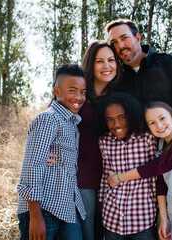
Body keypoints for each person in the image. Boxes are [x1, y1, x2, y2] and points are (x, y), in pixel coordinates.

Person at [105, 19, 172, 187]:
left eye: (124, 38)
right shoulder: (118, 81)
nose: (120, 45)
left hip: (170, 153)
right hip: (135, 165)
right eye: (114, 42)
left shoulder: (168, 64)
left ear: (137, 37)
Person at [47, 40, 122, 240]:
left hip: (113, 176)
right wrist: (46, 150)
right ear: (91, 63)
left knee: (106, 231)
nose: (107, 66)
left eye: (111, 60)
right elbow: (52, 117)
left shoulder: (118, 95)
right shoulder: (78, 91)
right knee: (88, 234)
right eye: (100, 61)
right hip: (83, 177)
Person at [108, 101, 172, 240]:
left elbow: (155, 168)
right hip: (168, 206)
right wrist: (164, 218)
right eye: (152, 123)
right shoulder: (160, 143)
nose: (159, 125)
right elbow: (161, 181)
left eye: (162, 118)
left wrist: (119, 178)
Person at [17, 64, 87, 240]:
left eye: (83, 92)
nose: (79, 97)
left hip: (66, 207)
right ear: (57, 91)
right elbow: (32, 167)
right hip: (43, 208)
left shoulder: (71, 122)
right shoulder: (48, 119)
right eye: (72, 91)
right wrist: (35, 216)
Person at [95, 92, 158, 240]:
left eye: (122, 117)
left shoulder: (146, 138)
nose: (116, 124)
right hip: (112, 219)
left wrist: (157, 207)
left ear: (132, 115)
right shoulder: (104, 141)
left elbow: (154, 177)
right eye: (110, 120)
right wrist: (102, 204)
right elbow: (106, 176)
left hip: (142, 218)